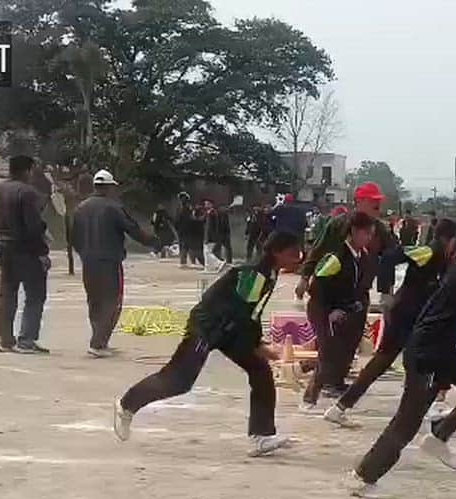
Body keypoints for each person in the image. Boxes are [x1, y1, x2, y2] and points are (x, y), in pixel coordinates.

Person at [348, 219, 456, 497]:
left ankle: (439, 435)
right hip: (427, 353)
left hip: (442, 350)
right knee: (407, 420)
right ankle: (363, 475)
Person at [113, 231, 301, 457]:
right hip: (207, 327)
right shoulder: (254, 274)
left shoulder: (269, 274)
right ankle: (127, 405)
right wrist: (257, 345)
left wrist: (256, 343)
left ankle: (262, 435)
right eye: (292, 254)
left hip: (229, 329)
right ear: (276, 252)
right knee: (178, 380)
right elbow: (242, 314)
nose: (296, 259)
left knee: (260, 370)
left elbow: (251, 314)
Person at [326, 218, 456, 427]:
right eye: (455, 240)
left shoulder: (446, 257)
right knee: (387, 360)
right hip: (404, 312)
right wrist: (386, 294)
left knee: (424, 359)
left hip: (419, 315)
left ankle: (342, 407)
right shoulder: (427, 251)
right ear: (446, 238)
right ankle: (340, 407)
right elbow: (389, 258)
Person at [296, 182, 395, 405]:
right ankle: (319, 387)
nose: (378, 206)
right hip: (334, 292)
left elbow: (390, 258)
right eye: (373, 202)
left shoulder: (380, 229)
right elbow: (318, 252)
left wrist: (386, 291)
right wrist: (305, 278)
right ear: (359, 202)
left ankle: (336, 379)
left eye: (379, 202)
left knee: (352, 338)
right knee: (332, 342)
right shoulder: (338, 226)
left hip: (359, 293)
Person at [298, 210, 377, 410]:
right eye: (366, 233)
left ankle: (325, 377)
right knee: (328, 350)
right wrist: (330, 310)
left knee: (345, 348)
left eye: (370, 233)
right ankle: (310, 396)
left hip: (347, 310)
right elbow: (318, 287)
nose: (369, 238)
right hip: (322, 308)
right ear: (353, 232)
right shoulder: (335, 257)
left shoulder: (363, 256)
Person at [72, 169, 149, 358]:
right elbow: (132, 229)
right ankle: (98, 344)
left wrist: (83, 253)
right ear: (107, 187)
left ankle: (100, 340)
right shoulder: (114, 208)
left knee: (94, 301)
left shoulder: (80, 208)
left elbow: (73, 236)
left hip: (88, 262)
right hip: (110, 262)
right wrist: (153, 241)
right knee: (112, 302)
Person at [0, 155, 51, 354]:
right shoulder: (27, 192)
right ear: (27, 170)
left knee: (7, 293)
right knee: (35, 294)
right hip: (25, 248)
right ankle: (26, 339)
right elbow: (32, 226)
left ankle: (6, 340)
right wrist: (42, 252)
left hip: (4, 246)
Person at [174, 193, 204, 268]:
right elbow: (178, 219)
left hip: (188, 230)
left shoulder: (187, 208)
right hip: (183, 230)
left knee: (188, 246)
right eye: (181, 199)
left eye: (183, 198)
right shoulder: (181, 208)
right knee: (185, 246)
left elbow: (190, 219)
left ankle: (192, 261)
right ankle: (184, 262)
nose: (181, 200)